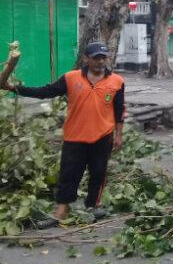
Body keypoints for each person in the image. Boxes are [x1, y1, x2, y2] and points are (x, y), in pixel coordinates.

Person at [2, 42, 125, 228]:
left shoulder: (117, 81)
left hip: (102, 136)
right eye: (96, 58)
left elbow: (118, 109)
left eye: (103, 58)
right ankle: (61, 210)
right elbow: (45, 92)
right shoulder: (71, 78)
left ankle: (93, 205)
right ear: (86, 59)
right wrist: (13, 88)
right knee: (69, 175)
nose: (101, 62)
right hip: (75, 137)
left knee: (98, 173)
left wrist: (118, 135)